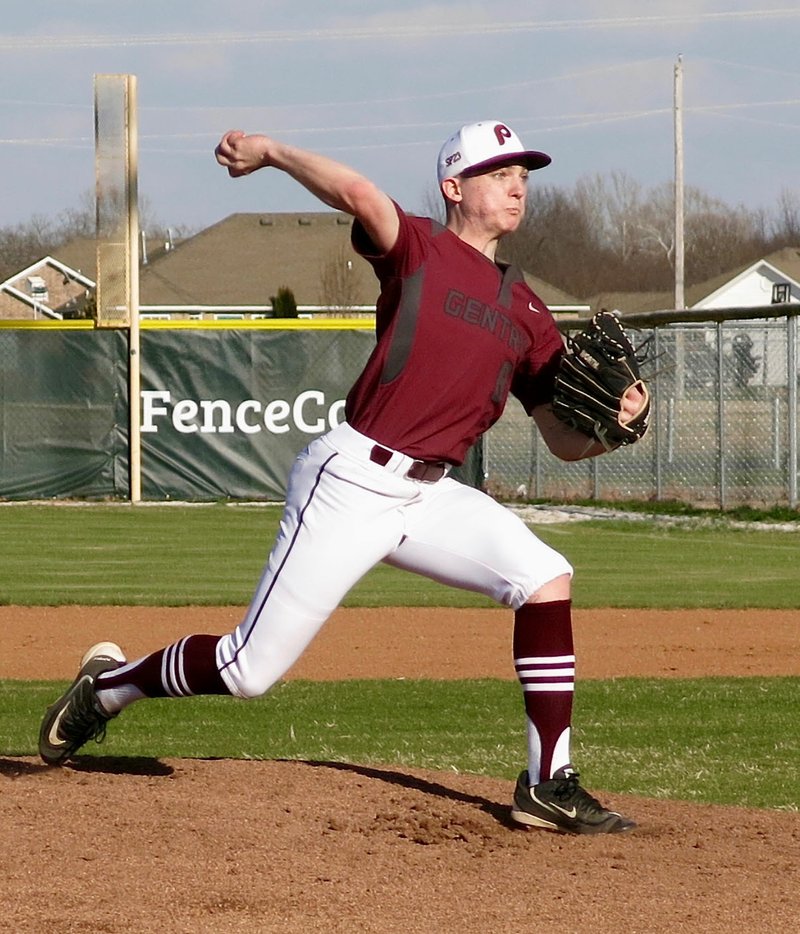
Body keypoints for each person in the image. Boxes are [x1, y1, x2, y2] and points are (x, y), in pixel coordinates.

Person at [39, 120, 647, 835]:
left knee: (545, 577)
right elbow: (358, 192)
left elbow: (561, 439)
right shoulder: (422, 248)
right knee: (246, 671)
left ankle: (547, 784)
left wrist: (618, 426)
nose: (517, 184)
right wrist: (271, 153)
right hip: (352, 478)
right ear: (455, 187)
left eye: (523, 173)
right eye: (498, 172)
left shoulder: (529, 311)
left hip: (431, 494)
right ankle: (108, 687)